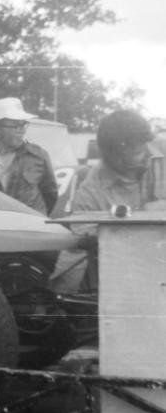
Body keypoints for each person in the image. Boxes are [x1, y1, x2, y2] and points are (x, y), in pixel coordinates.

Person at [50, 110, 166, 293]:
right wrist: (60, 297)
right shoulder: (89, 193)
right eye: (137, 152)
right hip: (132, 278)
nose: (145, 155)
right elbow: (76, 250)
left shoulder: (160, 152)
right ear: (112, 154)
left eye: (145, 147)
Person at [0, 97, 58, 215]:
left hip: (30, 229)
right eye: (16, 126)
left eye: (24, 125)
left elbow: (51, 196)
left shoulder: (38, 156)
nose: (22, 131)